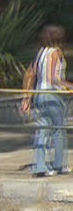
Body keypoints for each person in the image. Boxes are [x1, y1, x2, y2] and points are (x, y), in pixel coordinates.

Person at [21, 25, 69, 177]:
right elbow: (54, 79)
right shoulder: (56, 52)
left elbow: (30, 74)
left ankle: (40, 166)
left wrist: (27, 97)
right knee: (58, 130)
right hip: (52, 94)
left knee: (42, 130)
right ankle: (59, 164)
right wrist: (68, 86)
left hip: (39, 94)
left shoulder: (40, 53)